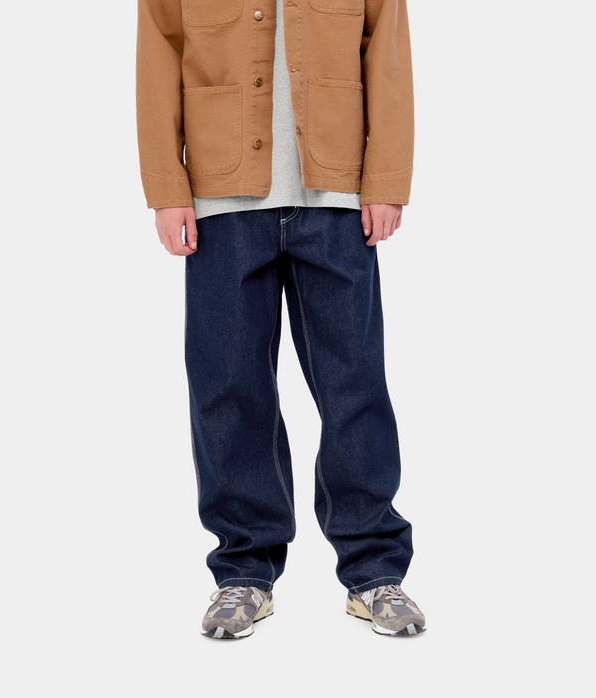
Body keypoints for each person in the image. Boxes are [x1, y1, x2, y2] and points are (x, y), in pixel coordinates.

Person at [136, 0, 423, 639]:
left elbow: (388, 52)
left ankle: (375, 570)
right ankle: (244, 570)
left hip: (339, 198)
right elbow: (158, 55)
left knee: (355, 384)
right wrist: (166, 187)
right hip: (220, 198)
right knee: (228, 387)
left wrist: (386, 178)